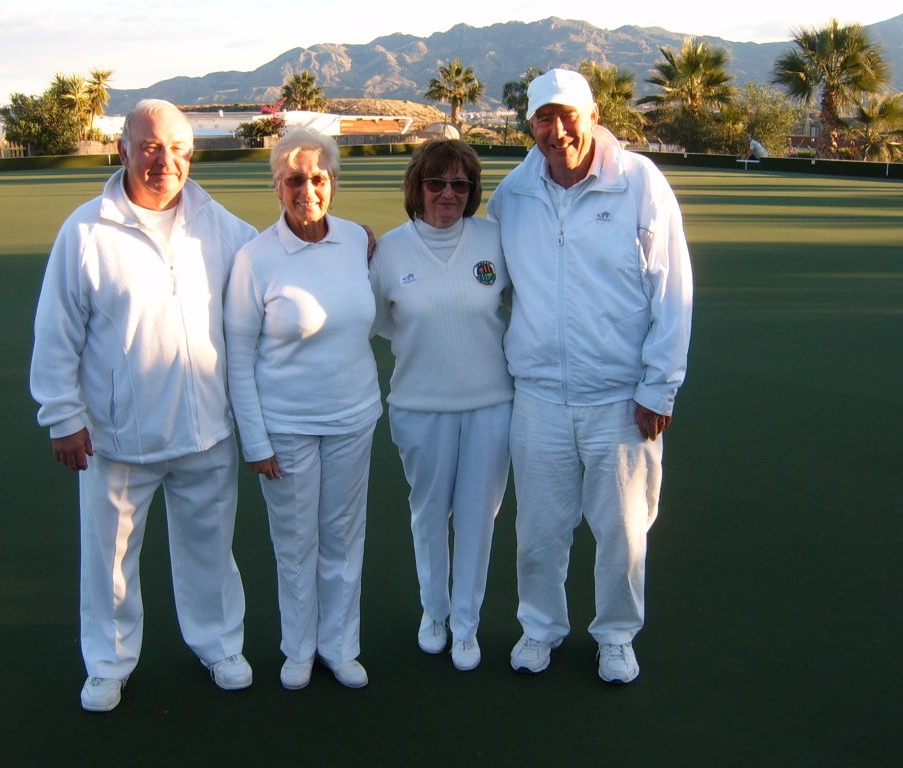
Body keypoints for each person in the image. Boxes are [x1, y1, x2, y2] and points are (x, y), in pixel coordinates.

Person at [30, 99, 258, 712]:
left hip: (206, 431)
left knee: (211, 552)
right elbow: (56, 331)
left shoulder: (218, 224)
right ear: (124, 149)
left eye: (178, 148)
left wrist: (347, 243)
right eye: (152, 146)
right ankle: (108, 663)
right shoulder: (86, 230)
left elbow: (278, 262)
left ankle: (220, 646)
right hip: (117, 437)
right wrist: (63, 417)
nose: (166, 161)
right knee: (109, 561)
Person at [487, 69, 693, 684]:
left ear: (593, 115)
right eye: (543, 119)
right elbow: (488, 278)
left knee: (624, 532)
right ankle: (539, 628)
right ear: (530, 125)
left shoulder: (640, 182)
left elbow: (672, 293)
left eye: (568, 116)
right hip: (539, 398)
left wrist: (659, 388)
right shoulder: (513, 194)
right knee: (537, 533)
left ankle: (616, 636)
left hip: (621, 400)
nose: (557, 131)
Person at [224, 127, 381, 690]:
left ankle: (340, 647)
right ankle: (298, 648)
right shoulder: (255, 259)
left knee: (343, 540)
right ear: (277, 186)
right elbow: (239, 358)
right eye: (294, 180)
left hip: (353, 420)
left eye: (318, 178)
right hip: (286, 428)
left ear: (333, 181)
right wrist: (256, 441)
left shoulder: (357, 241)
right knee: (295, 545)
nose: (307, 190)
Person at [369, 140, 512, 671]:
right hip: (419, 407)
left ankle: (466, 625)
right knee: (429, 512)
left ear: (472, 191)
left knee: (477, 518)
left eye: (460, 184)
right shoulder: (388, 251)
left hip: (490, 406)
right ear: (418, 187)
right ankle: (435, 612)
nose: (448, 193)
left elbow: (522, 301)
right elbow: (378, 321)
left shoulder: (495, 240)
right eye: (436, 182)